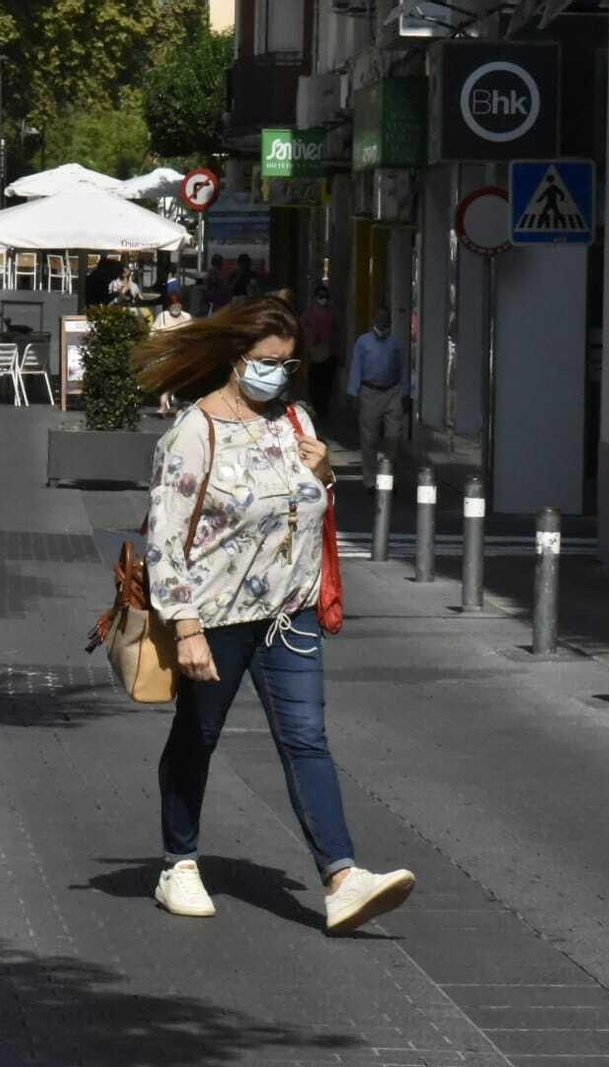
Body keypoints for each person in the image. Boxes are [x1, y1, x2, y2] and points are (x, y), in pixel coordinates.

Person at [131, 297, 417, 935]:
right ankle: (178, 862)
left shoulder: (295, 420)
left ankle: (341, 878)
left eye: (286, 364)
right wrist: (186, 627)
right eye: (266, 361)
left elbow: (310, 508)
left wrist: (325, 474)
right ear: (236, 358)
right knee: (198, 735)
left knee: (306, 739)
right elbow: (166, 539)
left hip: (289, 614)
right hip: (215, 618)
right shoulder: (194, 431)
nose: (277, 374)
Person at [347, 308, 407, 487]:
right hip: (369, 392)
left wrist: (406, 394)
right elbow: (356, 367)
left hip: (392, 392)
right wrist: (353, 393)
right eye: (379, 318)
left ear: (390, 321)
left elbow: (403, 369)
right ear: (374, 319)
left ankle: (389, 478)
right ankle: (370, 480)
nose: (382, 322)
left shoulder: (396, 344)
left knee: (393, 437)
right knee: (369, 438)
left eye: (386, 319)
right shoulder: (362, 342)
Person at [151, 289, 193, 416]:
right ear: (168, 305)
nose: (175, 306)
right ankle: (164, 405)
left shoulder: (187, 317)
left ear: (181, 304)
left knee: (178, 380)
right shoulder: (162, 316)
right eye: (172, 303)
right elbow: (152, 334)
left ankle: (175, 403)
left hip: (181, 354)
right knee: (167, 380)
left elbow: (192, 335)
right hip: (165, 354)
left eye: (177, 303)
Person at [300, 284, 338, 418]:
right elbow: (302, 333)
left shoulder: (332, 314)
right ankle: (316, 409)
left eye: (326, 296)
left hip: (329, 355)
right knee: (314, 385)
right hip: (312, 356)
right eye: (321, 296)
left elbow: (337, 333)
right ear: (315, 297)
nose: (323, 299)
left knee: (327, 385)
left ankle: (324, 410)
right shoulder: (307, 315)